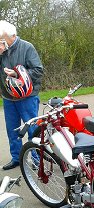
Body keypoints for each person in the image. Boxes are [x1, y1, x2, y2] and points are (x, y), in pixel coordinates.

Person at [0, 20, 43, 170]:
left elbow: (38, 70)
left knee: (32, 130)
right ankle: (16, 158)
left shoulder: (27, 47)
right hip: (8, 97)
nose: (0, 42)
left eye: (2, 39)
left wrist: (18, 73)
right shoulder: (1, 50)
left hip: (27, 97)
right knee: (12, 131)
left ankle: (38, 160)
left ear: (12, 36)